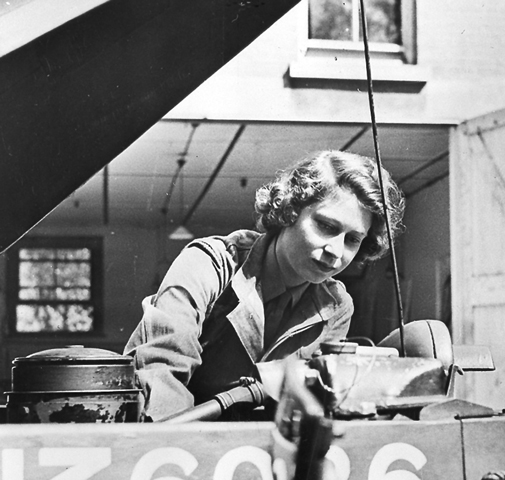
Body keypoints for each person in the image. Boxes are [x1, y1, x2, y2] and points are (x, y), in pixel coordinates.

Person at [124, 150, 405, 421]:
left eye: (353, 239)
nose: (336, 251)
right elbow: (162, 371)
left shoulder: (337, 307)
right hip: (175, 440)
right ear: (289, 212)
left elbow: (310, 401)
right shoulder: (210, 265)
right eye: (326, 227)